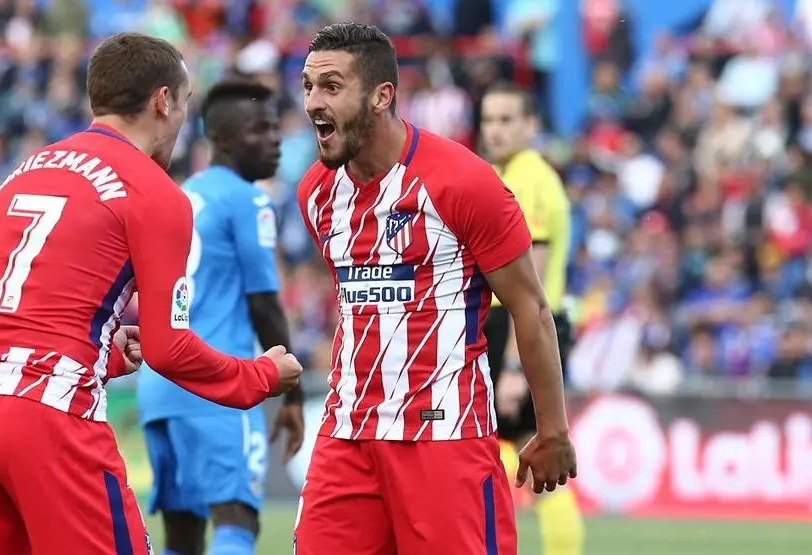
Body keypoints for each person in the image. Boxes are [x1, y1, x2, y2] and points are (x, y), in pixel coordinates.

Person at [0, 33, 302, 555]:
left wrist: (102, 346)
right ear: (162, 101)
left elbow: (25, 312)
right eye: (185, 103)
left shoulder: (24, 173)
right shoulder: (155, 193)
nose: (182, 123)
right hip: (48, 417)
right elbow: (170, 348)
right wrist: (260, 376)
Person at [293, 23, 577, 555]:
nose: (313, 102)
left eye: (331, 86)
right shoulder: (315, 192)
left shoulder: (464, 182)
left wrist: (553, 429)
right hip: (346, 434)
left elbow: (530, 308)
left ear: (382, 97)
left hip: (443, 435)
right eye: (307, 86)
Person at [136, 80, 305, 555]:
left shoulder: (181, 195)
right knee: (236, 521)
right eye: (261, 130)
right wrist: (289, 397)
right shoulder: (247, 199)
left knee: (183, 535)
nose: (275, 140)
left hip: (161, 385)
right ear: (223, 139)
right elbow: (265, 302)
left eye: (276, 129)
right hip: (216, 383)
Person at [480, 83, 584, 555]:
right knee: (527, 454)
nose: (494, 130)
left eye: (506, 120)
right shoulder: (515, 174)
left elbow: (531, 285)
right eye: (488, 120)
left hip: (521, 331)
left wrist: (517, 367)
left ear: (530, 126)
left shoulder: (530, 179)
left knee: (517, 451)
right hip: (520, 328)